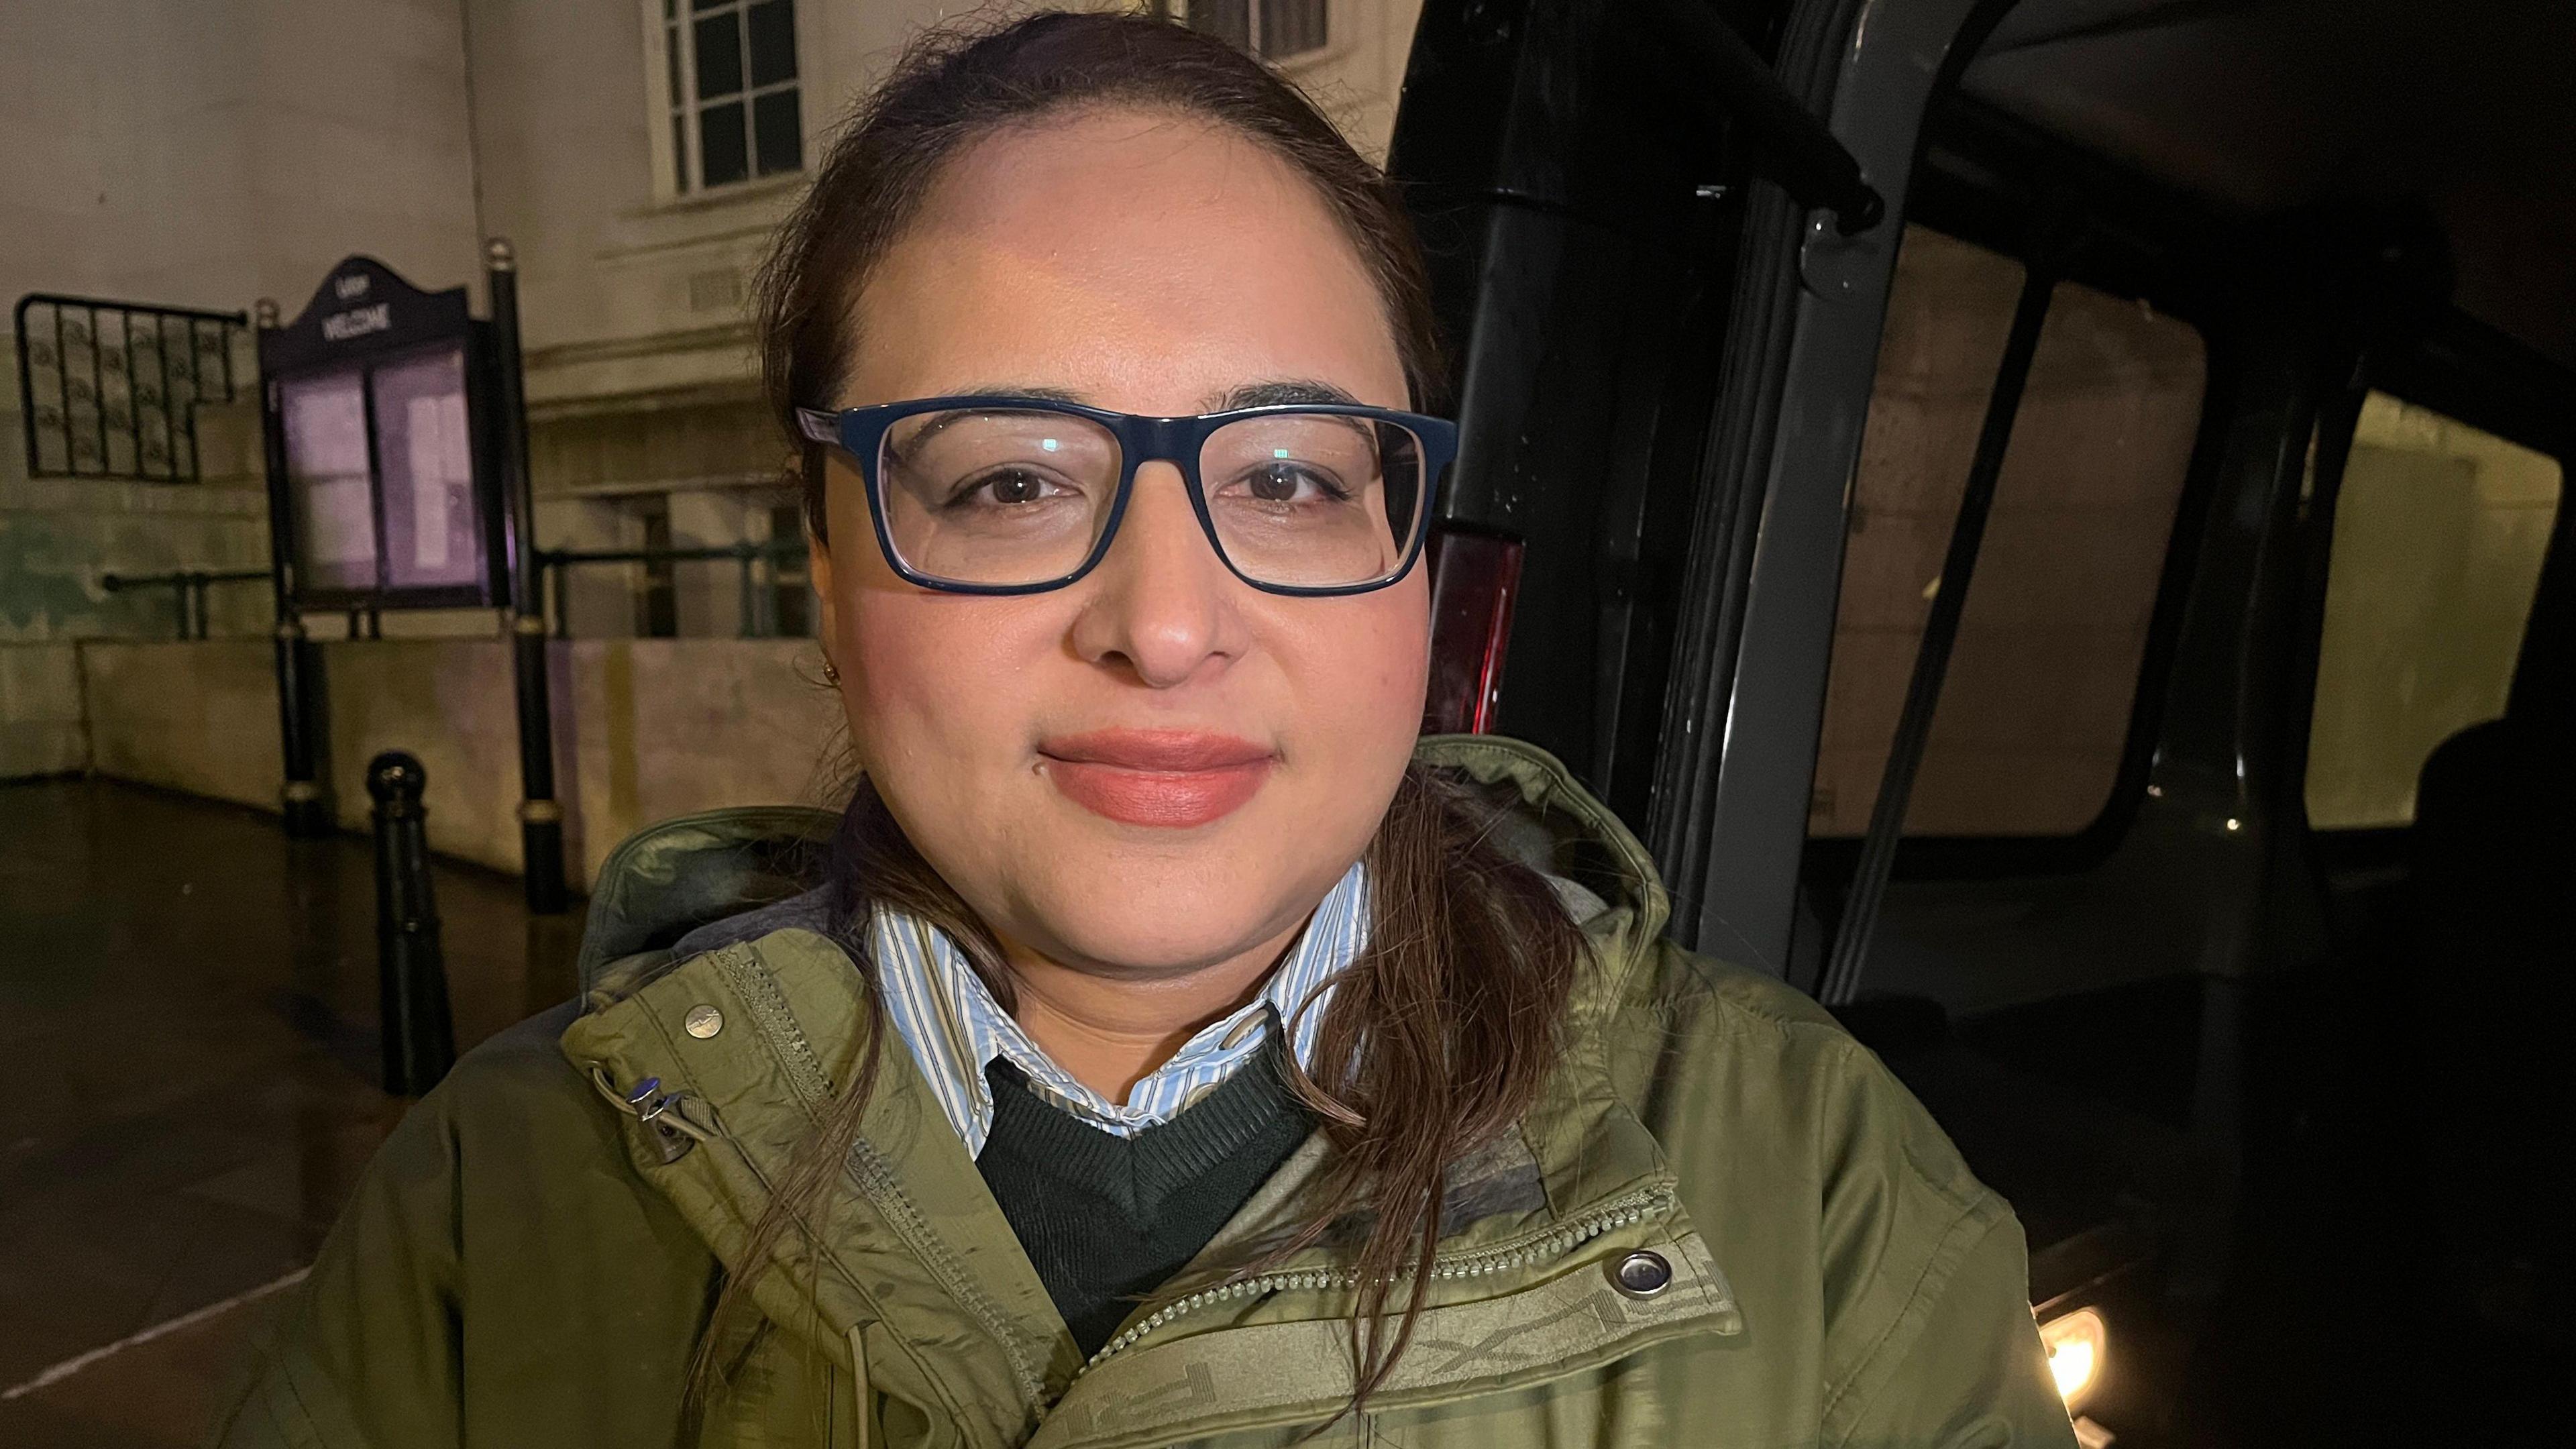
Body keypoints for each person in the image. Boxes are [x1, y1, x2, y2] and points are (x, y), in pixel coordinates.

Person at [216, 11, 2076, 1447]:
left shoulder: (1813, 1181)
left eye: (1284, 475)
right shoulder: (505, 1197)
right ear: (826, 556)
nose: (1170, 625)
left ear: (1415, 545)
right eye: (1012, 483)